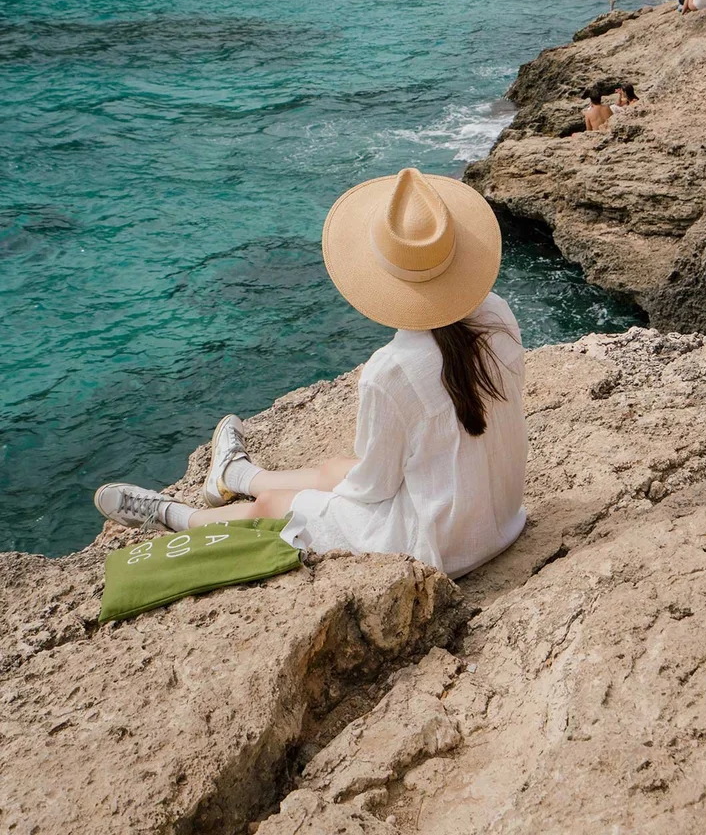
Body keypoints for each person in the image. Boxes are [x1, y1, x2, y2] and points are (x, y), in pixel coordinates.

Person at [94, 169, 528, 581]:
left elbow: (374, 489)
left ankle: (173, 515)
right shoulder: (498, 314)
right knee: (335, 469)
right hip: (497, 521)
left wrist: (324, 495)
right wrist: (335, 480)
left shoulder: (391, 371)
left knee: (271, 505)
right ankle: (234, 475)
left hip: (435, 545)